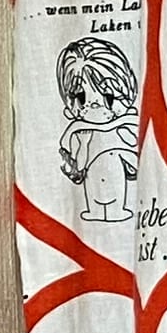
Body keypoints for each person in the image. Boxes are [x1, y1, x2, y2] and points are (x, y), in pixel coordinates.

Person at [55, 35, 140, 226]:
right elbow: (79, 167)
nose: (94, 104)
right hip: (92, 188)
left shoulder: (123, 130)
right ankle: (94, 211)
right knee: (93, 209)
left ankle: (117, 211)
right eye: (80, 97)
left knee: (117, 209)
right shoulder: (81, 134)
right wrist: (84, 144)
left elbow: (134, 158)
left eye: (108, 97)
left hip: (116, 187)